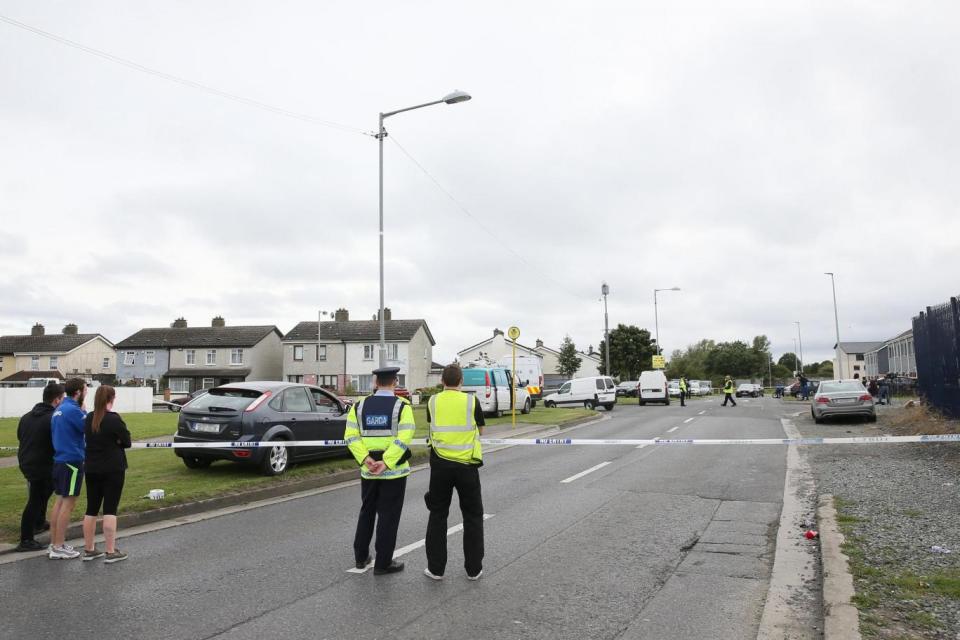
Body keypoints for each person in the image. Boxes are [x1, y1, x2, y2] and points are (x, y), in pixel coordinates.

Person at [343, 366, 416, 575]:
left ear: (375, 383)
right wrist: (386, 462)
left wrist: (366, 460)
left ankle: (360, 558)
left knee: (367, 511)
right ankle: (383, 563)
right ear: (395, 382)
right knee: (388, 516)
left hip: (368, 471)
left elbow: (350, 436)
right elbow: (405, 437)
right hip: (394, 472)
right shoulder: (402, 406)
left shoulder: (359, 405)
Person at [423, 364, 486, 581]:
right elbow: (481, 429)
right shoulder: (471, 401)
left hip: (440, 465)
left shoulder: (432, 401)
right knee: (473, 516)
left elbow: (432, 426)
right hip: (467, 466)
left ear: (442, 380)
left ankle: (436, 569)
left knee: (438, 515)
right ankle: (474, 569)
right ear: (461, 381)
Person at [82, 386, 131, 563]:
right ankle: (110, 551)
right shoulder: (114, 419)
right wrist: (116, 441)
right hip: (112, 468)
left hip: (92, 467)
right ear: (112, 398)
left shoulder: (89, 418)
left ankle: (89, 548)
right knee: (110, 509)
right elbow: (127, 441)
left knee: (92, 508)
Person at [15, 382, 65, 552]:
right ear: (57, 400)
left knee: (43, 492)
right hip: (41, 464)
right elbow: (57, 441)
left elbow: (20, 436)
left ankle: (39, 522)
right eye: (63, 398)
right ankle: (26, 539)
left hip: (27, 461)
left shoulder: (27, 416)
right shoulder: (52, 418)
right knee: (35, 500)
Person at [49, 378, 87, 559]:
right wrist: (84, 410)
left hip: (59, 460)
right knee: (68, 504)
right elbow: (88, 427)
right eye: (85, 390)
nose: (86, 393)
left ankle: (54, 544)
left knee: (59, 502)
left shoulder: (59, 409)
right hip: (72, 461)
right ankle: (58, 545)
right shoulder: (73, 410)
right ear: (78, 392)